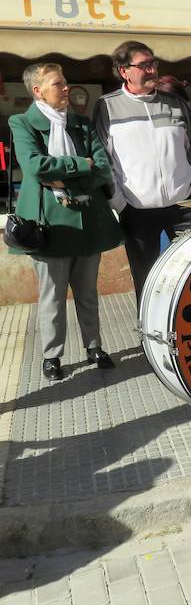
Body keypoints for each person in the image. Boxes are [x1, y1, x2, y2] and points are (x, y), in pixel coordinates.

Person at [9, 64, 122, 380]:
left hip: (88, 223)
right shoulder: (22, 122)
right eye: (58, 83)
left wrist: (64, 181)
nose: (66, 87)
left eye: (65, 82)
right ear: (38, 91)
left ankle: (95, 347)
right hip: (50, 228)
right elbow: (34, 166)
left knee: (87, 292)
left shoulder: (82, 125)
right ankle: (52, 356)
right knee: (53, 297)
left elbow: (102, 169)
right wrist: (79, 164)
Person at [92, 41, 191, 310]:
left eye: (154, 63)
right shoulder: (107, 106)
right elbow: (103, 159)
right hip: (137, 210)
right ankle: (152, 342)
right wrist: (120, 203)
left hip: (184, 206)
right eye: (144, 65)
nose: (152, 70)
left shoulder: (175, 103)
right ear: (124, 71)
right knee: (146, 279)